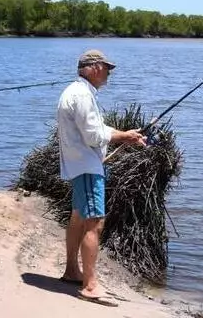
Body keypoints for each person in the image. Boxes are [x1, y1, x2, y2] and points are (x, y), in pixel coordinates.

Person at [56, 49, 146, 306]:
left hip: (80, 164)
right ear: (94, 68)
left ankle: (72, 270)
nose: (109, 73)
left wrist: (125, 133)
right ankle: (90, 284)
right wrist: (125, 137)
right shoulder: (82, 95)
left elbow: (97, 129)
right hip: (86, 166)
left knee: (77, 217)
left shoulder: (77, 92)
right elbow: (94, 136)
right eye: (107, 68)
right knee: (94, 222)